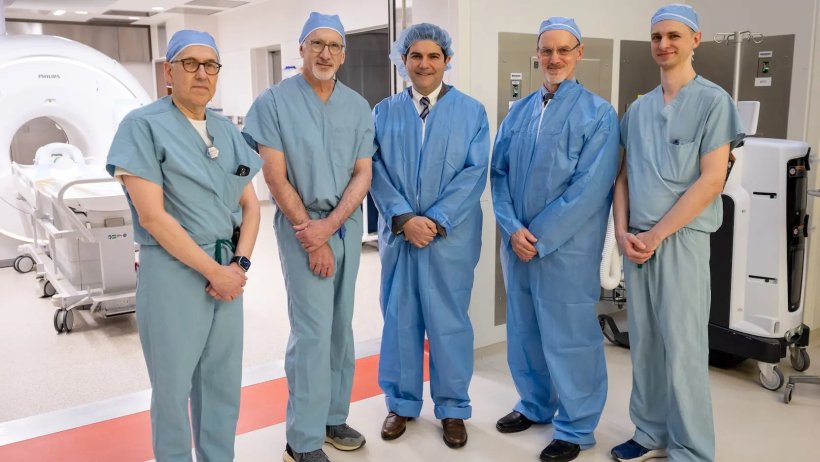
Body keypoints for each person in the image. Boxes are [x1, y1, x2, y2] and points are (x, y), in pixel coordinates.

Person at [106, 30, 261, 461]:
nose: (201, 73)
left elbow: (250, 206)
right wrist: (216, 274)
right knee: (172, 388)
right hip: (173, 273)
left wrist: (239, 265)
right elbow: (154, 217)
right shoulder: (142, 126)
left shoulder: (226, 131)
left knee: (221, 382)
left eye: (210, 65)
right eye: (189, 63)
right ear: (168, 72)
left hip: (228, 270)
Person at [611, 5, 744, 462]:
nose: (663, 44)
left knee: (684, 348)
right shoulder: (639, 108)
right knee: (644, 344)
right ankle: (650, 433)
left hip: (681, 242)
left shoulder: (713, 102)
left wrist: (656, 235)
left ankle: (691, 448)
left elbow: (711, 181)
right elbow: (623, 177)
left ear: (695, 40)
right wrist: (623, 233)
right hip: (638, 244)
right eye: (656, 37)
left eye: (673, 35)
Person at [242, 12, 374, 462]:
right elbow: (275, 178)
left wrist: (332, 226)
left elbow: (363, 173)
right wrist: (313, 236)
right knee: (313, 331)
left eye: (333, 46)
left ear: (343, 54)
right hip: (300, 226)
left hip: (344, 223)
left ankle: (334, 416)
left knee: (341, 328)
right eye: (315, 44)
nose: (324, 53)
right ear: (300, 49)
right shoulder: (274, 103)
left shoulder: (357, 106)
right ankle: (301, 440)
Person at [490, 16, 620, 462]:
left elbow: (590, 187)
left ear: (579, 53)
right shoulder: (519, 112)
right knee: (524, 330)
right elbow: (499, 175)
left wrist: (539, 235)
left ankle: (577, 426)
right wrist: (512, 228)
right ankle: (534, 405)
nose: (555, 58)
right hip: (518, 246)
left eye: (564, 50)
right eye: (547, 50)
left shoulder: (599, 115)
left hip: (566, 249)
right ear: (537, 53)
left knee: (570, 337)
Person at [370, 23, 490, 449]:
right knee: (400, 319)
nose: (424, 64)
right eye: (415, 56)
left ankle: (453, 408)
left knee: (449, 323)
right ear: (403, 61)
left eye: (433, 56)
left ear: (447, 61)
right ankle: (401, 403)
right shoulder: (383, 112)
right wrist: (403, 218)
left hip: (448, 239)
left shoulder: (472, 112)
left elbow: (475, 173)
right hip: (401, 236)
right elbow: (374, 170)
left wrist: (435, 220)